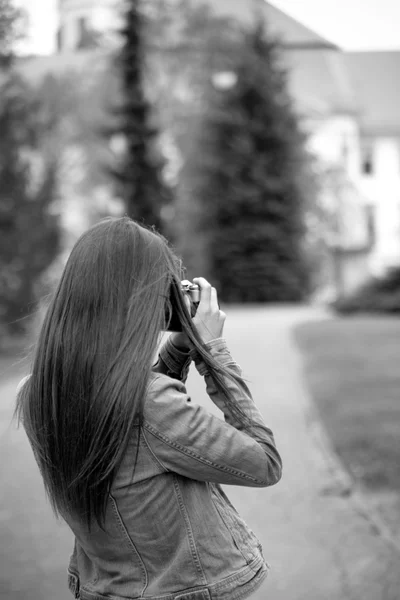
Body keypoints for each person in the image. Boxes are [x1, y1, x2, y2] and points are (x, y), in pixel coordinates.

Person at [15, 216, 282, 600]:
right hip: (184, 590)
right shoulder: (149, 402)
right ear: (146, 299)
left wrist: (176, 350)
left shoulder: (39, 393)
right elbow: (264, 463)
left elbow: (128, 429)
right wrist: (213, 351)